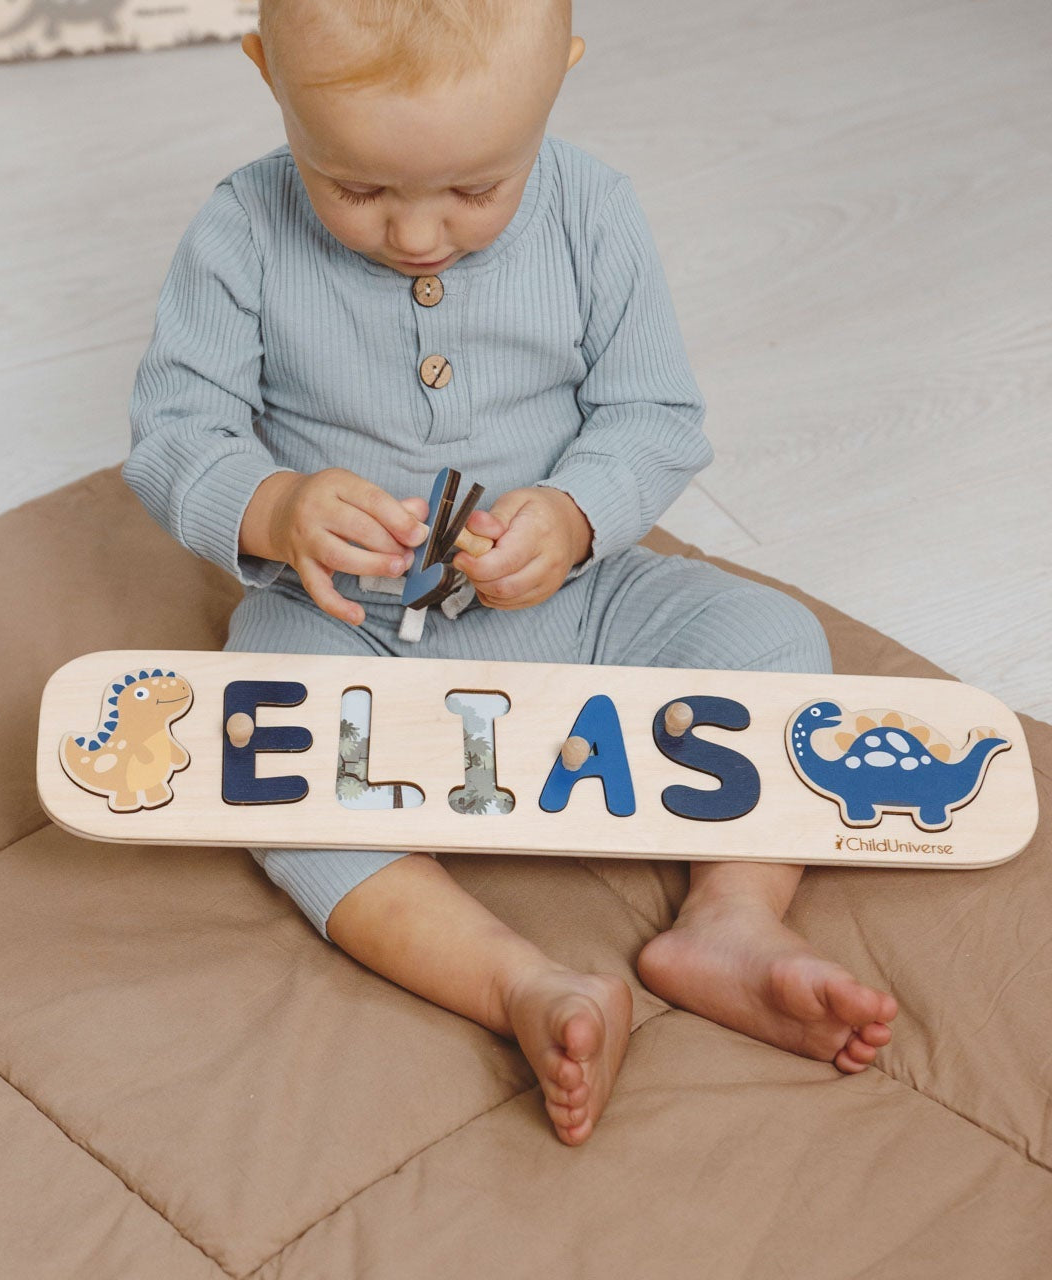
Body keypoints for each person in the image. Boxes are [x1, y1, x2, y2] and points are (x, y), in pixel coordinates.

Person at [124, 0, 898, 1146]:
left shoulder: (592, 209)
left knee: (772, 639)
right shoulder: (240, 228)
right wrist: (275, 505)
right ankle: (516, 981)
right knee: (263, 744)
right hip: (352, 631)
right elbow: (172, 431)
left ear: (560, 80)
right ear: (264, 75)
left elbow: (654, 414)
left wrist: (577, 512)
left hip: (581, 607)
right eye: (359, 188)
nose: (417, 234)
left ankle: (729, 919)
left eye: (475, 191)